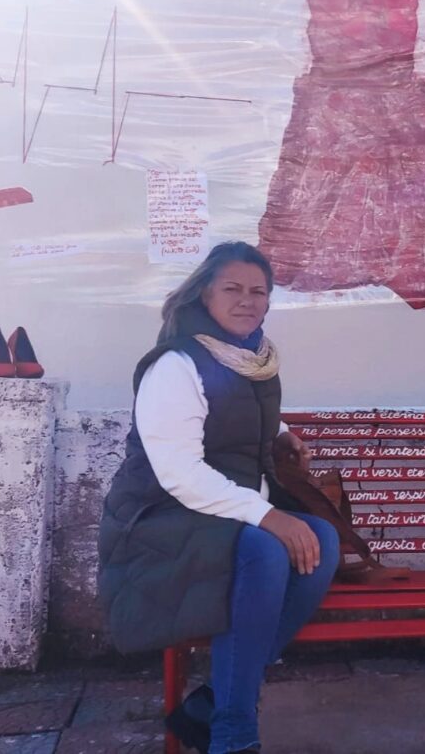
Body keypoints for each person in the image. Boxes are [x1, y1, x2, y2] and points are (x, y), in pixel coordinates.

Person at [98, 241, 340, 754]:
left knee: (321, 540)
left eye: (259, 291)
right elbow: (179, 471)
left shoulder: (254, 359)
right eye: (232, 288)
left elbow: (236, 409)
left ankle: (213, 699)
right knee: (266, 550)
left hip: (224, 507)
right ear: (204, 294)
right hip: (162, 515)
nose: (247, 300)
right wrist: (269, 515)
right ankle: (234, 736)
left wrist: (281, 435)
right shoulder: (176, 364)